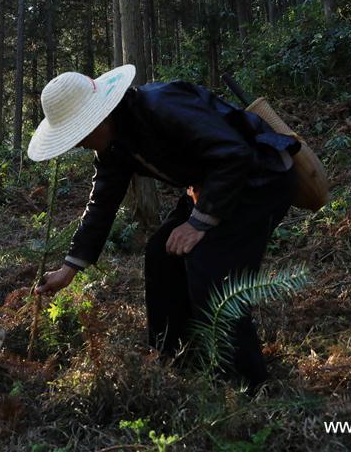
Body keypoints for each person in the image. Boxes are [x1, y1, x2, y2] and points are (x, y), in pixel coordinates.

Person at [28, 64, 299, 390]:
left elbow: (234, 153)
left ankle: (243, 382)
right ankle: (173, 356)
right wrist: (69, 269)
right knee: (160, 254)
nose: (79, 144)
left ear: (98, 116)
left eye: (80, 134)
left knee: (210, 268)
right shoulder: (113, 143)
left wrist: (199, 222)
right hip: (212, 186)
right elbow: (102, 203)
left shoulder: (162, 105)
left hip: (258, 179)